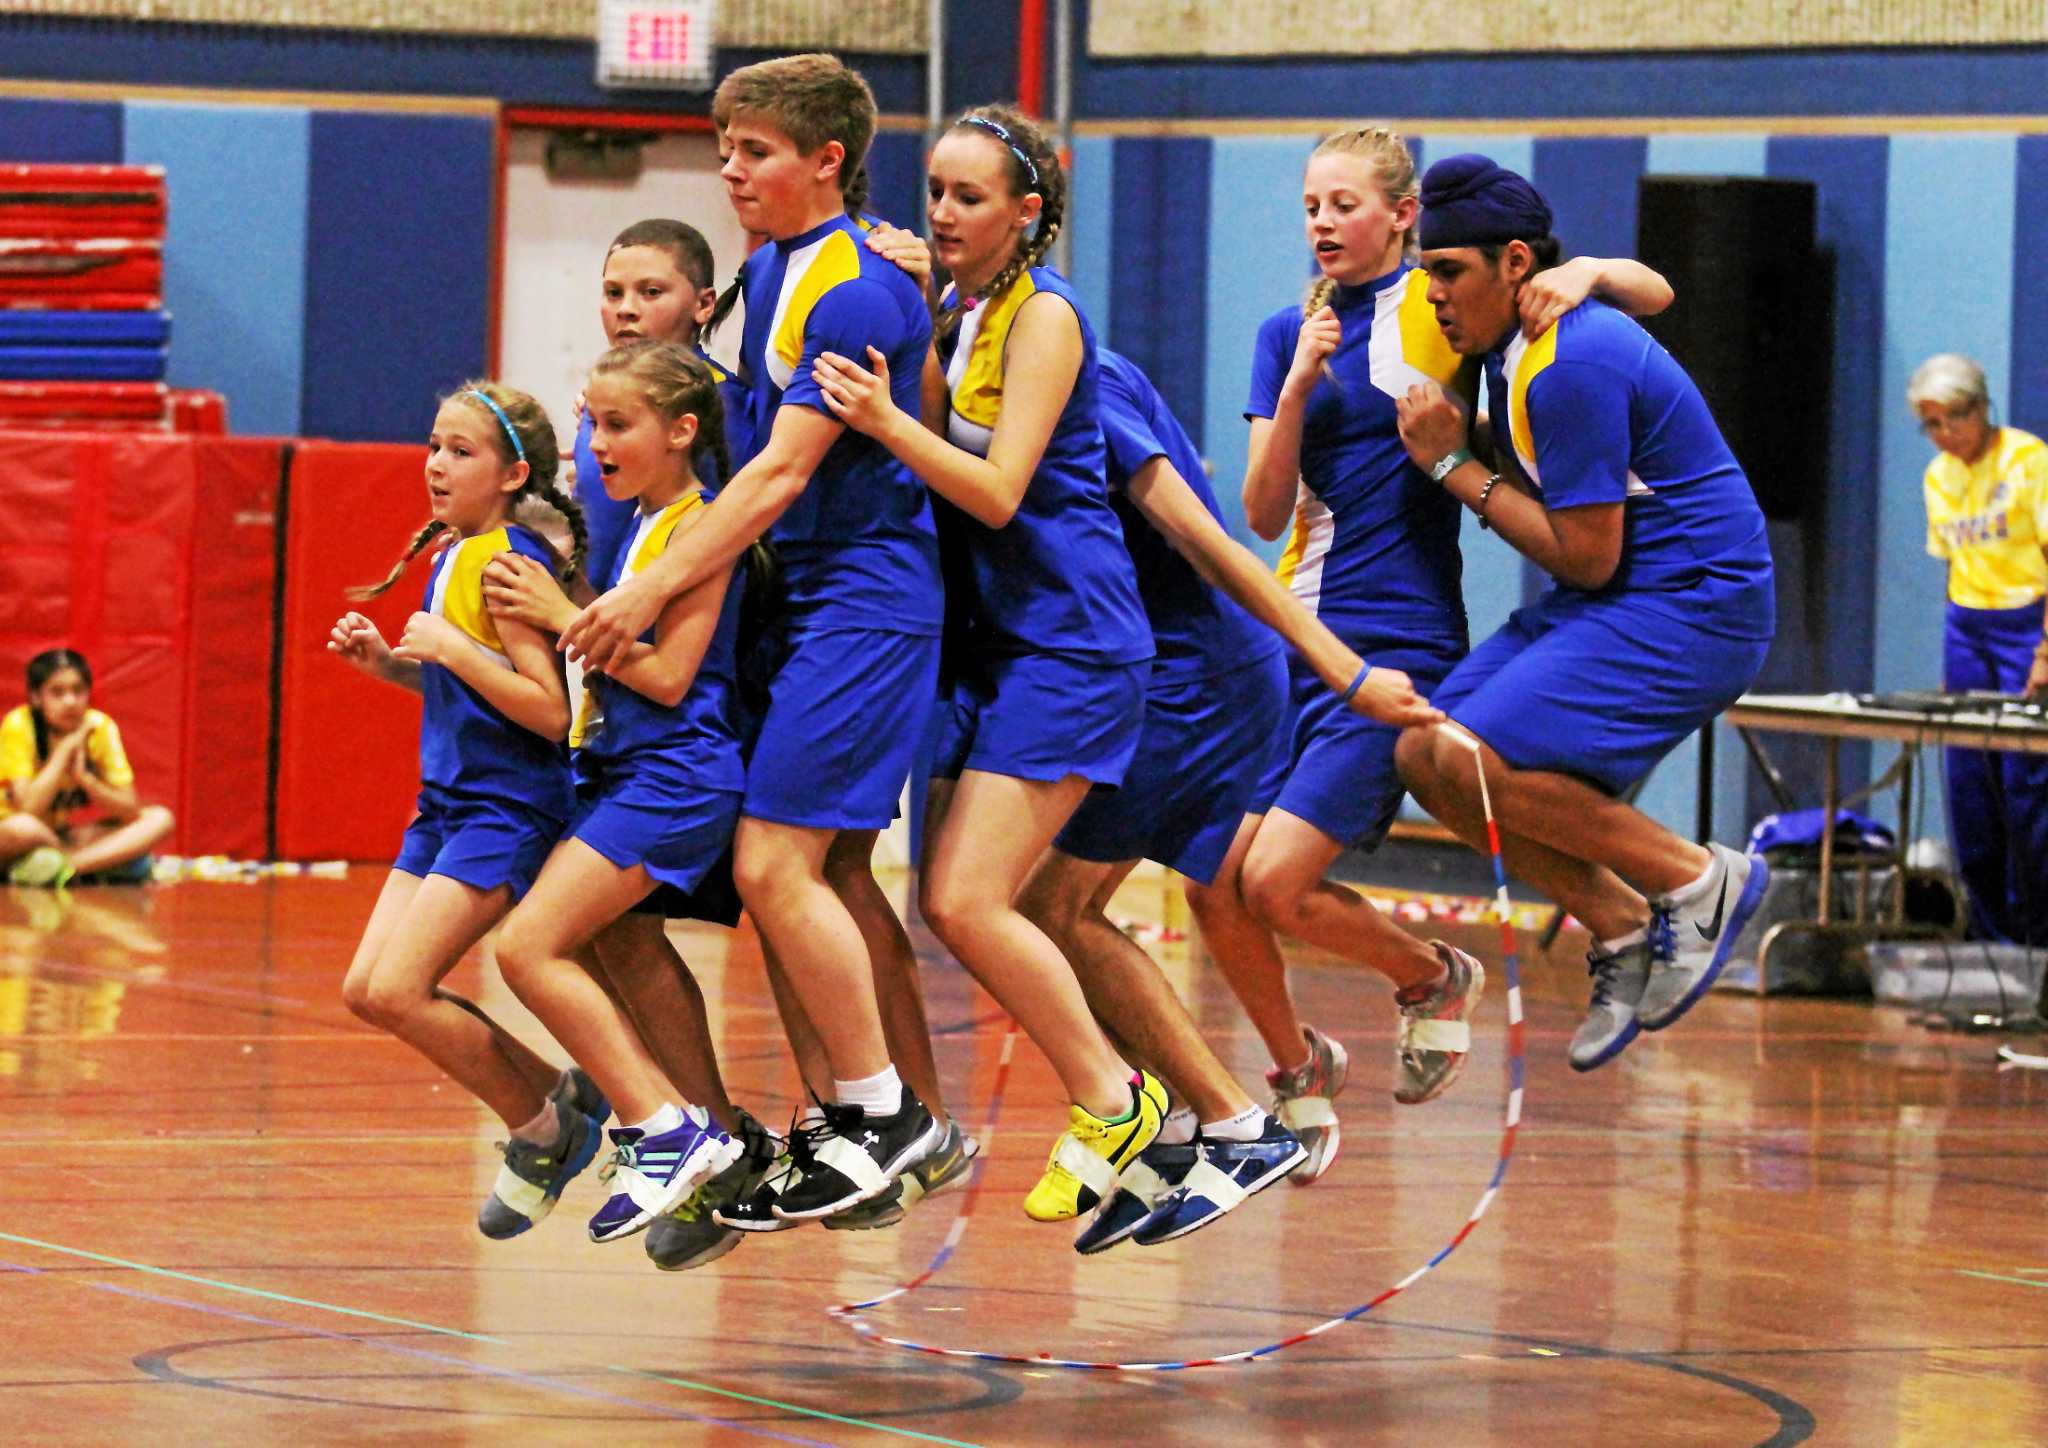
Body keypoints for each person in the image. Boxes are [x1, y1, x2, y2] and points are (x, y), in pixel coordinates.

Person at [1203, 128, 1676, 1171]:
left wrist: (1586, 268)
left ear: (1401, 216)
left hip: (1397, 634)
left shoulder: (1445, 301)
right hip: (1292, 634)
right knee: (1210, 883)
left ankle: (1430, 973)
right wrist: (1293, 388)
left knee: (1275, 883)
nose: (1321, 222)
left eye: (1342, 203)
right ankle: (1294, 1075)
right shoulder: (1288, 327)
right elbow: (1260, 505)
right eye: (1309, 206)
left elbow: (1651, 293)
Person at [558, 54, 945, 1223]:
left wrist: (650, 586)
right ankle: (854, 1118)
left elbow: (779, 470)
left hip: (865, 597)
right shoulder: (770, 271)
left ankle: (890, 1111)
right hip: (805, 599)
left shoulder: (859, 285)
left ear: (826, 159)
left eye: (754, 150)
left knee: (784, 862)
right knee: (796, 866)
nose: (729, 168)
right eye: (723, 147)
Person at [810, 103, 1169, 1225]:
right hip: (1005, 645)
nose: (944, 214)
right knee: (948, 898)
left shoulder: (1048, 318)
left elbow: (998, 488)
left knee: (965, 899)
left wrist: (876, 418)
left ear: (1028, 211)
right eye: (934, 193)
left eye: (970, 197)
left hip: (1074, 641)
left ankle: (1117, 1097)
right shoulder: (966, 308)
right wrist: (913, 326)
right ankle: (1125, 1099)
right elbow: (936, 432)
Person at [1015, 346, 1443, 1250]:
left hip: (1202, 673)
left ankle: (1238, 1122)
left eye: (965, 195)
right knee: (1051, 909)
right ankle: (1183, 1128)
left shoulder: (1070, 365)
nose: (939, 217)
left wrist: (1345, 669)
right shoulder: (969, 366)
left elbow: (1218, 542)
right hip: (1150, 669)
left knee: (1053, 907)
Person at [1391, 154, 1776, 1071]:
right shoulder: (1509, 349)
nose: (1435, 293)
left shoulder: (1573, 360)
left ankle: (1695, 877)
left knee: (1476, 755)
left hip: (1697, 600)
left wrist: (1453, 466)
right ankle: (1620, 924)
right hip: (1626, 594)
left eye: (1449, 271)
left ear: (1515, 263)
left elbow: (1589, 557)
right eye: (1424, 270)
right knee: (1422, 754)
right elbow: (1649, 292)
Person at [328, 381, 612, 1240]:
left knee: (399, 988)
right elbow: (470, 687)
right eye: (434, 445)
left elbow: (551, 710)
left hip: (505, 809)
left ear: (514, 472)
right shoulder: (459, 550)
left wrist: (449, 647)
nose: (437, 464)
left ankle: (543, 1135)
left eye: (462, 451)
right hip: (445, 808)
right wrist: (394, 667)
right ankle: (566, 1097)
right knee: (366, 992)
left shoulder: (505, 561)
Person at [1908, 352, 2048, 945]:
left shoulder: (2028, 461)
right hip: (1968, 623)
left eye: (1954, 419)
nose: (1945, 435)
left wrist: (2044, 653)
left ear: (1983, 408)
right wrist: (1952, 659)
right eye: (1931, 424)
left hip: (2028, 619)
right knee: (1969, 786)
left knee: (2026, 786)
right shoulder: (1939, 476)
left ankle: (2038, 941)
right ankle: (1991, 945)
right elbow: (1955, 566)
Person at [1, 649, 175, 887]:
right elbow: (28, 810)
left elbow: (130, 810)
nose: (70, 701)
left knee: (160, 818)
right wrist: (63, 753)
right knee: (24, 828)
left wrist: (86, 780)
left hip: (58, 836)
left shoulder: (99, 727)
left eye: (78, 691)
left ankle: (67, 868)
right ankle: (97, 864)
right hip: (12, 833)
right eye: (57, 692)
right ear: (36, 697)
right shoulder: (19, 725)